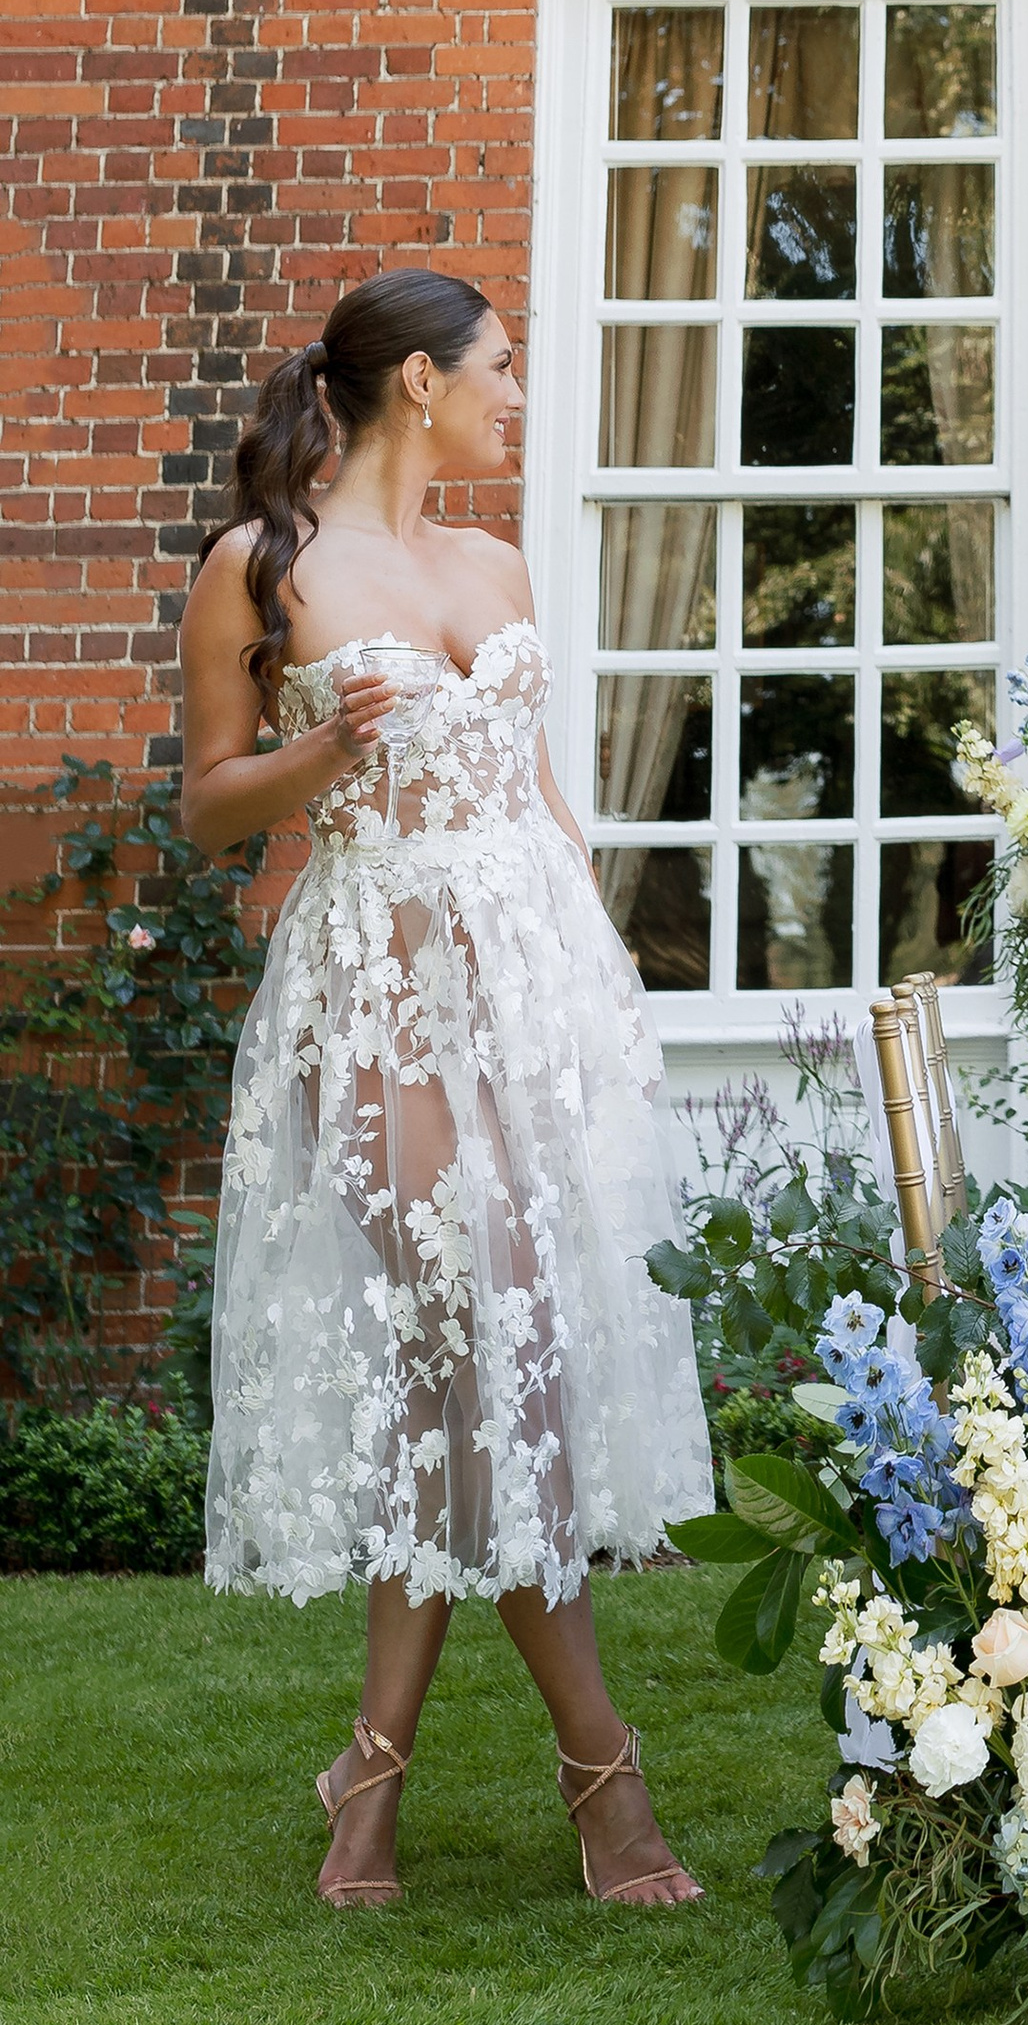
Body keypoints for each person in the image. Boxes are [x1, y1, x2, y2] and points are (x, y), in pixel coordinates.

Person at [182, 271, 714, 1910]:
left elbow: (542, 797)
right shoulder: (262, 568)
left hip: (531, 998)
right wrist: (331, 750)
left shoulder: (493, 562)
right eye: (500, 369)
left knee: (472, 1379)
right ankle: (603, 1782)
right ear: (417, 382)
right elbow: (207, 810)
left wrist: (601, 1001)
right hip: (380, 1008)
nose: (516, 395)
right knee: (486, 1348)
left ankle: (374, 1779)